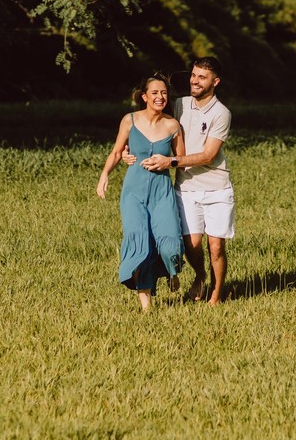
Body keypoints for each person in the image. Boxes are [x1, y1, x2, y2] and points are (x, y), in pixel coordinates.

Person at [138, 57, 233, 305]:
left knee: (216, 247)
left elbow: (208, 155)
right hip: (186, 188)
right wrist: (130, 149)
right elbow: (152, 123)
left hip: (216, 188)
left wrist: (170, 162)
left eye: (202, 77)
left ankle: (216, 296)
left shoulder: (221, 113)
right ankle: (200, 275)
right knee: (192, 244)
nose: (195, 81)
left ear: (215, 82)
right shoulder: (180, 105)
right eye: (193, 75)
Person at [96, 73, 186, 312]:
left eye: (164, 93)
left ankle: (171, 270)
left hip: (161, 192)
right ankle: (146, 306)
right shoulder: (130, 120)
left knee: (169, 243)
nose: (160, 97)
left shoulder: (173, 125)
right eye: (154, 93)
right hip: (133, 192)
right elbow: (117, 152)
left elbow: (182, 159)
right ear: (144, 97)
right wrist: (105, 175)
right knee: (140, 244)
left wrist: (167, 161)